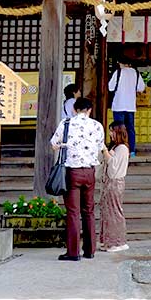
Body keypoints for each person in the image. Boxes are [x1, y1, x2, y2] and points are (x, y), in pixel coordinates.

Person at [50, 96, 105, 261]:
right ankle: (90, 250)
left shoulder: (66, 123)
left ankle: (73, 252)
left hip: (72, 171)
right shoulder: (97, 125)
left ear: (74, 109)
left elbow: (53, 144)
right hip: (90, 172)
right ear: (89, 110)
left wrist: (63, 146)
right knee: (88, 211)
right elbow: (100, 146)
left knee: (73, 212)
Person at [99, 121, 130, 252]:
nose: (110, 134)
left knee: (114, 212)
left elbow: (113, 167)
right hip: (109, 183)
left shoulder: (122, 148)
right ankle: (107, 240)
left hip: (115, 182)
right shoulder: (116, 147)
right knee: (107, 212)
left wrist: (105, 151)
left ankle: (117, 242)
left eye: (112, 131)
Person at [108, 61, 145, 156]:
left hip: (119, 105)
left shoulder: (118, 72)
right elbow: (141, 88)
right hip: (130, 106)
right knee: (130, 129)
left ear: (121, 63)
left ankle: (119, 149)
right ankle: (131, 150)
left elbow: (110, 87)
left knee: (118, 128)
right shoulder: (136, 73)